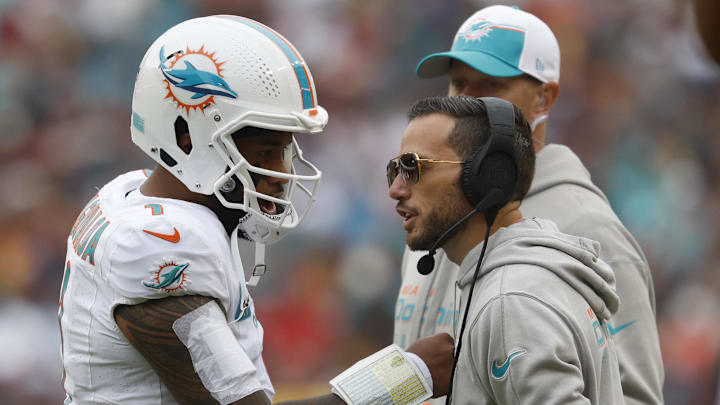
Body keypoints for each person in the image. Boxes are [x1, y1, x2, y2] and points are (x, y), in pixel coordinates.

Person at [59, 15, 454, 405]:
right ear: (186, 140)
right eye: (266, 153)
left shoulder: (130, 195)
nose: (281, 174)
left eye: (284, 152)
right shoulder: (155, 247)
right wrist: (407, 376)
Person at [394, 5, 664, 405]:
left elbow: (634, 395)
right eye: (458, 84)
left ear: (544, 98)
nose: (467, 104)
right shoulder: (437, 214)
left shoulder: (588, 226)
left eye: (489, 86)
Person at [387, 94, 625, 403]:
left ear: (487, 177)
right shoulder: (529, 278)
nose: (396, 189)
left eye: (412, 167)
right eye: (395, 169)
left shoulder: (511, 301)